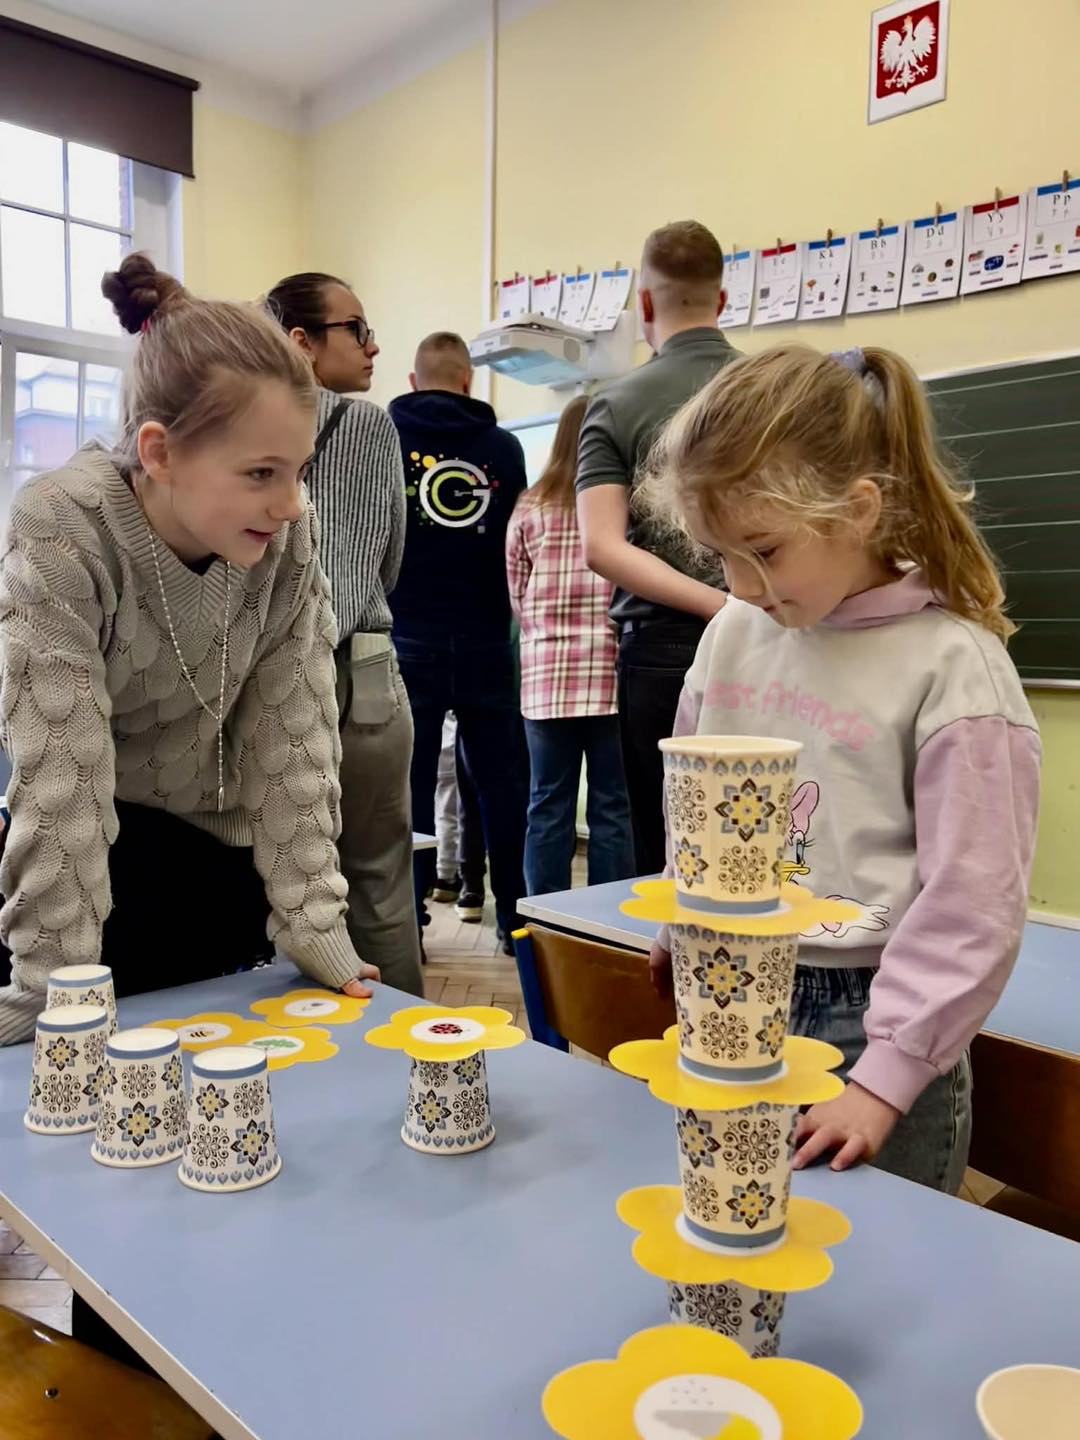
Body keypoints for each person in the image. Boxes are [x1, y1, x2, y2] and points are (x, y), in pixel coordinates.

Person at [644, 344, 1041, 1193]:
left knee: (875, 1253)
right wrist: (683, 917)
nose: (741, 585)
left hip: (875, 1018)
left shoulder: (954, 666)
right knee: (745, 1227)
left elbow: (974, 901)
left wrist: (885, 1079)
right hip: (732, 980)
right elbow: (696, 805)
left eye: (764, 550)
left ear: (858, 511)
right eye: (719, 555)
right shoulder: (734, 632)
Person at [0, 254, 379, 1048]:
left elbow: (294, 737)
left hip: (210, 852)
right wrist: (54, 986)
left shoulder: (286, 537)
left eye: (299, 471)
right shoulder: (62, 525)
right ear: (160, 452)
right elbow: (62, 775)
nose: (290, 504)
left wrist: (315, 921)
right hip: (81, 861)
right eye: (261, 473)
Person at [266, 271, 422, 996]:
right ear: (302, 341)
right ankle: (411, 1045)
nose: (372, 345)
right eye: (355, 329)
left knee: (289, 886)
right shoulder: (371, 425)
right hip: (368, 673)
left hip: (272, 682)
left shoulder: (240, 426)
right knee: (381, 879)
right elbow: (391, 559)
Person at [576, 220, 737, 875]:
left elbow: (602, 547)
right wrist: (743, 608)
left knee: (668, 848)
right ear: (721, 300)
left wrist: (715, 607)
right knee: (762, 836)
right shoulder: (774, 389)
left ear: (644, 303)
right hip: (776, 636)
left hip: (664, 651)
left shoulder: (616, 403)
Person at [388, 332, 528, 953]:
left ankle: (410, 923)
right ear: (469, 382)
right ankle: (515, 922)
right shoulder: (503, 449)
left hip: (407, 634)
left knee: (410, 787)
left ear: (413, 380)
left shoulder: (386, 439)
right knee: (503, 786)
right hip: (486, 638)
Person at [506, 396, 633, 896]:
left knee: (546, 806)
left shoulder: (529, 506)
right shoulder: (619, 506)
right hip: (609, 676)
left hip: (546, 681)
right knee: (613, 806)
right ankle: (608, 921)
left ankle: (547, 922)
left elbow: (517, 595)